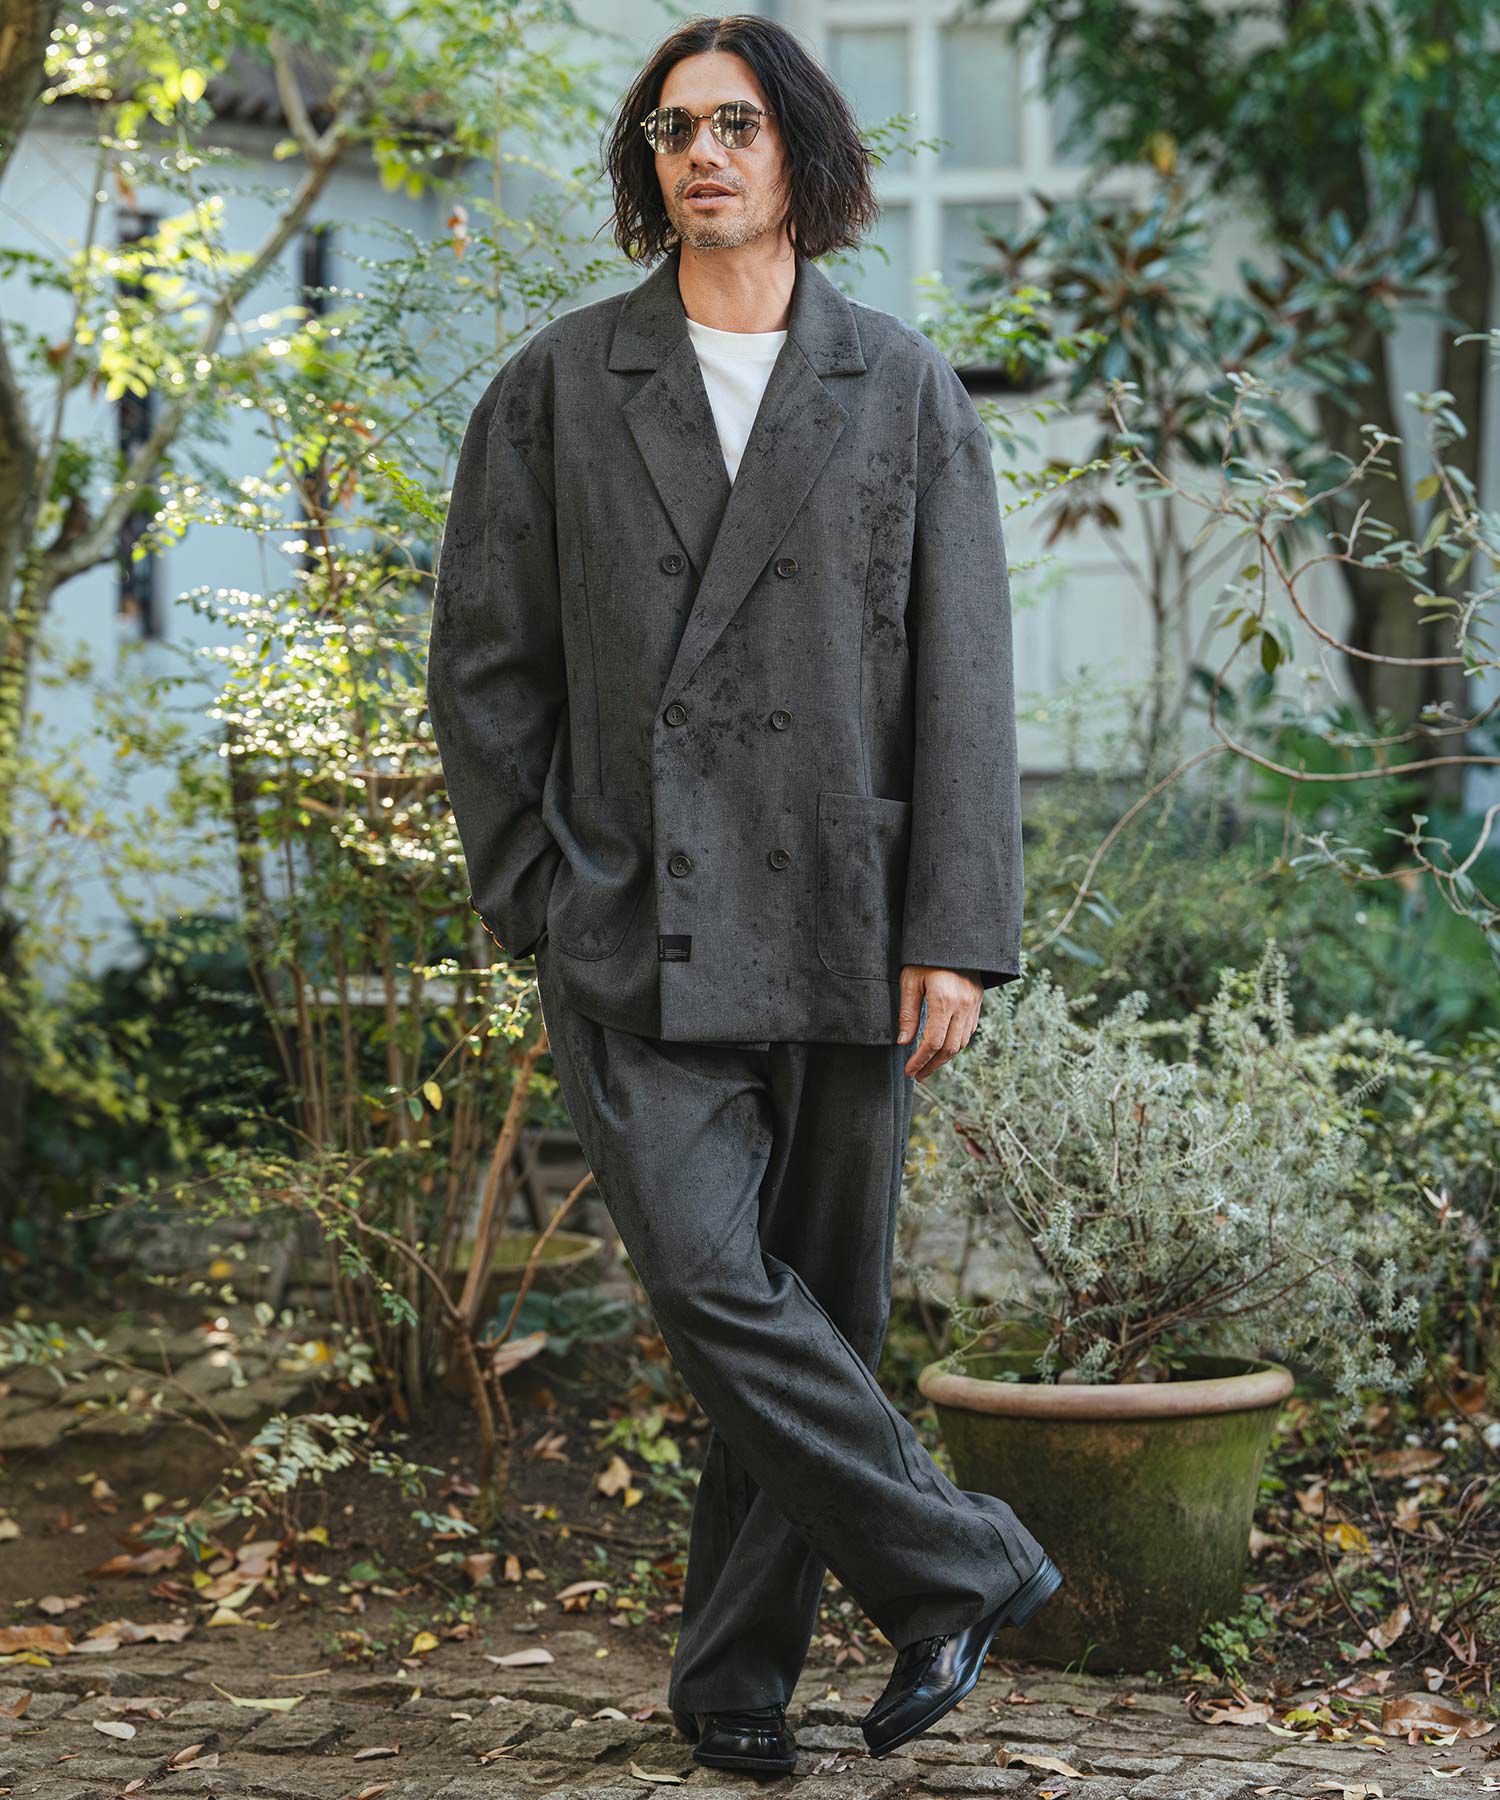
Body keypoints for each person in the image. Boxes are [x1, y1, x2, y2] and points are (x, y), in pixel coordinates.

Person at [425, 11, 1061, 1777]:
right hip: (633, 925)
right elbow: (484, 666)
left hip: (851, 916)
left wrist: (957, 930)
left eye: (735, 125)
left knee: (816, 1319)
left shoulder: (901, 386)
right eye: (672, 128)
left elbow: (966, 679)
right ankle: (960, 1566)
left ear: (801, 155)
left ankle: (731, 1683)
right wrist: (538, 890)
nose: (700, 153)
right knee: (717, 1289)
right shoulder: (563, 385)